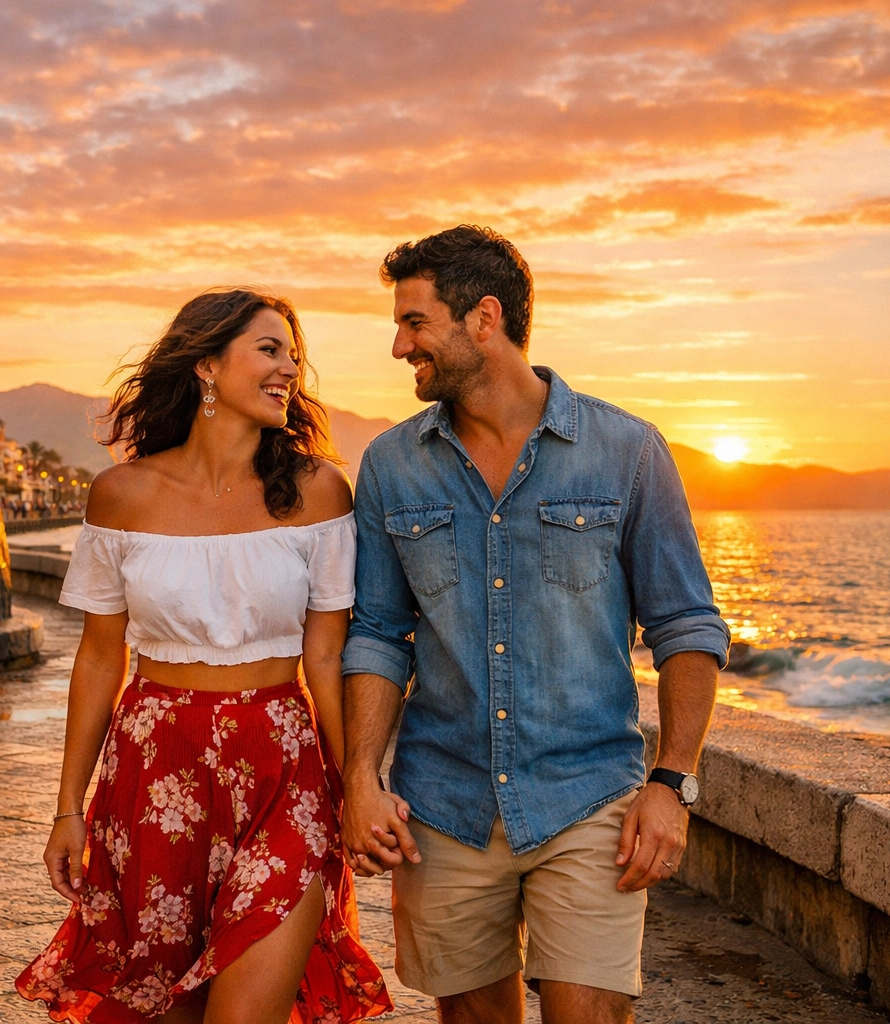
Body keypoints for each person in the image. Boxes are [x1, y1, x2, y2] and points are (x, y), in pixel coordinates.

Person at [339, 226, 730, 1024]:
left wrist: (674, 783)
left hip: (589, 802)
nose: (397, 345)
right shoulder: (389, 465)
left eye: (414, 322)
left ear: (483, 318)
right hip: (443, 807)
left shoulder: (627, 452)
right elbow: (379, 634)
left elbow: (686, 625)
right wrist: (360, 777)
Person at [17, 290, 390, 1024]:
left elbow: (327, 654)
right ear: (207, 366)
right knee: (165, 1009)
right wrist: (69, 808)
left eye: (293, 354)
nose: (290, 368)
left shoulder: (317, 493)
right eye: (269, 349)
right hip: (154, 769)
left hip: (282, 766)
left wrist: (356, 784)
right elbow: (98, 661)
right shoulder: (121, 495)